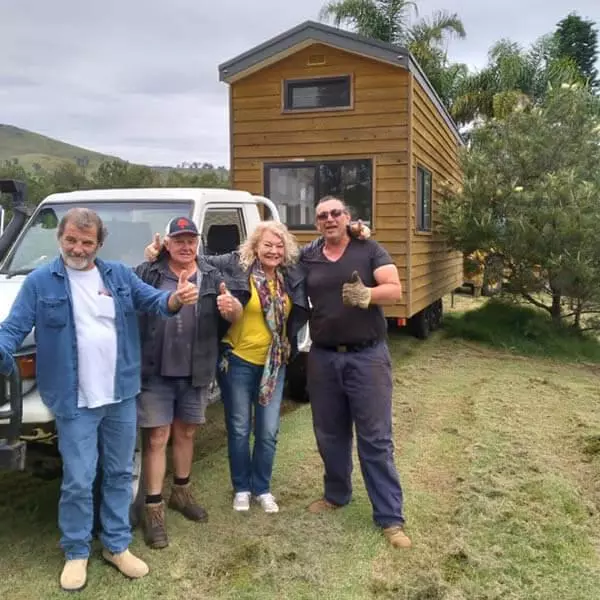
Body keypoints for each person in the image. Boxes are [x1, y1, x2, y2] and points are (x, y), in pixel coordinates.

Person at [0, 208, 199, 592]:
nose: (78, 248)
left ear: (99, 244)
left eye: (86, 242)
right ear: (60, 238)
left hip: (120, 394)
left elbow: (156, 302)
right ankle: (76, 551)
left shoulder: (118, 276)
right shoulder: (41, 282)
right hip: (74, 400)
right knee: (78, 478)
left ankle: (116, 545)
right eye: (71, 240)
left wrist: (177, 299)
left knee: (121, 473)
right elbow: (13, 328)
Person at [144, 221, 309, 513]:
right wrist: (158, 252)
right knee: (239, 427)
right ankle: (242, 488)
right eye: (267, 245)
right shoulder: (235, 265)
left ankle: (262, 488)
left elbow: (320, 251)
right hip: (237, 361)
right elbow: (195, 257)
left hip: (274, 363)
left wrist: (356, 232)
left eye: (279, 245)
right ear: (255, 246)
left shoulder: (291, 274)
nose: (273, 251)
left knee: (268, 430)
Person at [301, 196, 412, 549]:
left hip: (367, 358)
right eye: (322, 215)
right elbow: (268, 257)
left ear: (347, 218)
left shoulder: (369, 249)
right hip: (323, 357)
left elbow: (395, 290)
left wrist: (368, 295)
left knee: (375, 438)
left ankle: (390, 518)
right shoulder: (309, 256)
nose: (329, 219)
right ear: (317, 223)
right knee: (329, 433)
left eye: (336, 213)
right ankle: (336, 495)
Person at [134, 216, 230, 549]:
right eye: (179, 240)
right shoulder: (149, 272)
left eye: (191, 240)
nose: (186, 246)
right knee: (157, 437)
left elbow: (232, 307)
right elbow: (128, 293)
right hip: (155, 370)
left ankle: (182, 493)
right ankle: (154, 508)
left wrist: (232, 309)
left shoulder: (212, 274)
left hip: (196, 369)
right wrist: (148, 256)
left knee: (186, 432)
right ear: (167, 244)